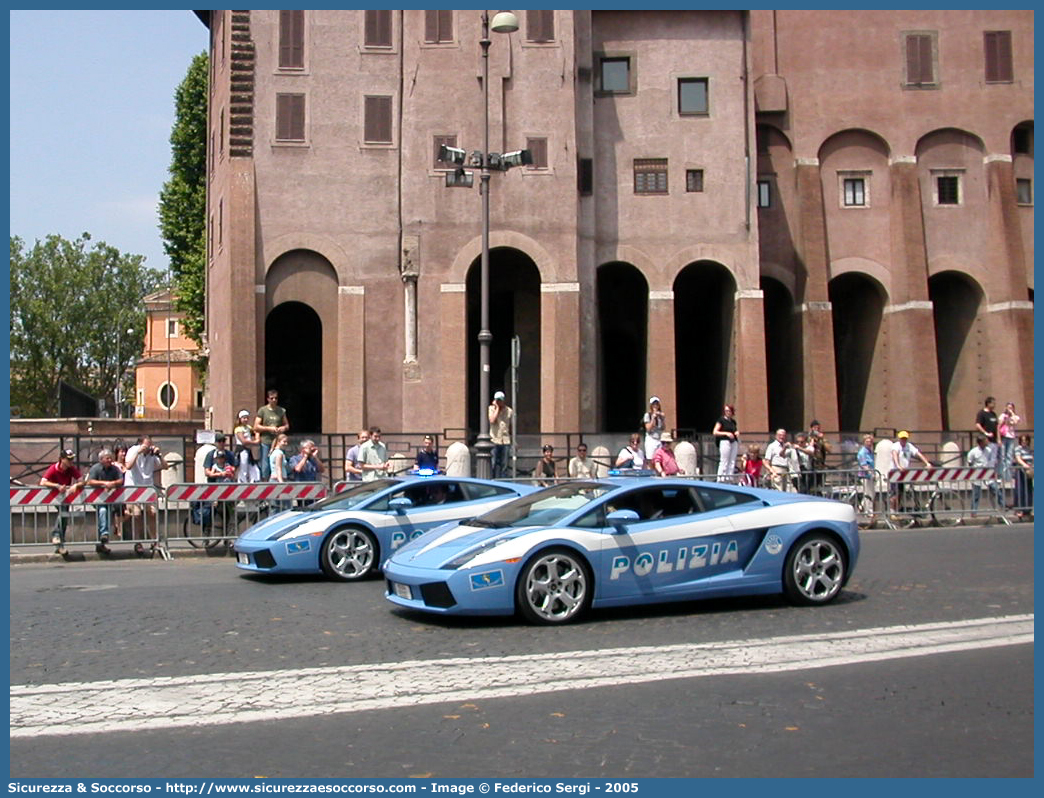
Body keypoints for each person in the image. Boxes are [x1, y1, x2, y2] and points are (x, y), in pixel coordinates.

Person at [124, 435, 170, 552]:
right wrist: (138, 452)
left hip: (148, 488)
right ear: (140, 444)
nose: (148, 448)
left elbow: (165, 466)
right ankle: (137, 542)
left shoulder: (151, 455)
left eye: (150, 445)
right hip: (133, 487)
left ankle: (155, 541)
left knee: (153, 513)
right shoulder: (133, 451)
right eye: (146, 445)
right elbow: (128, 466)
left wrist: (159, 454)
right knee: (137, 515)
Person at [40, 448, 85, 555]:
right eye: (68, 459)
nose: (71, 462)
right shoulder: (53, 469)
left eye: (72, 459)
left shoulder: (71, 469)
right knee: (62, 513)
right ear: (61, 459)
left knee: (64, 518)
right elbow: (43, 482)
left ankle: (60, 544)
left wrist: (76, 485)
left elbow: (82, 480)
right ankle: (56, 535)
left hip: (65, 497)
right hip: (55, 496)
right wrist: (56, 486)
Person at [86, 448, 124, 554]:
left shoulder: (115, 469)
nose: (109, 460)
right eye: (107, 458)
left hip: (111, 499)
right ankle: (104, 533)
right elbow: (90, 481)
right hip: (98, 499)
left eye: (110, 458)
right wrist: (104, 483)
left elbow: (121, 480)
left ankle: (101, 544)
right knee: (103, 511)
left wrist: (113, 483)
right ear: (101, 459)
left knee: (106, 514)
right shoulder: (95, 468)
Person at [889, 430, 931, 514]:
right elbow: (895, 455)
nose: (903, 440)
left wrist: (927, 463)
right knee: (895, 494)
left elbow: (918, 454)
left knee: (900, 492)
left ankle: (898, 509)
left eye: (905, 438)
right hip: (895, 472)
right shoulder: (895, 446)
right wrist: (898, 465)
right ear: (899, 439)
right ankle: (892, 511)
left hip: (904, 473)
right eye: (902, 438)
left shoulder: (909, 446)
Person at [254, 389, 290, 480]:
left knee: (280, 463)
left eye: (276, 398)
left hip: (278, 443)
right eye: (272, 398)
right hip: (266, 441)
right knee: (265, 465)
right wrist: (269, 428)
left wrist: (283, 428)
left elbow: (287, 425)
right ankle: (265, 483)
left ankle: (279, 481)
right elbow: (256, 427)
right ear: (268, 399)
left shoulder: (281, 410)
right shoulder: (262, 410)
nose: (274, 400)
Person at [967, 436, 1002, 513]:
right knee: (976, 493)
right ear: (981, 442)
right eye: (985, 440)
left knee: (995, 489)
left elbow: (991, 462)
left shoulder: (988, 451)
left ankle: (1003, 505)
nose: (987, 442)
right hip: (977, 473)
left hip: (987, 472)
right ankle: (973, 511)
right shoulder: (973, 452)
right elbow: (970, 462)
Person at [488, 391, 513, 478]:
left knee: (504, 464)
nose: (499, 402)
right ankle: (493, 479)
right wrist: (497, 408)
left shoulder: (509, 411)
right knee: (493, 463)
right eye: (497, 400)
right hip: (494, 440)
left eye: (500, 400)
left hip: (505, 441)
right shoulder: (491, 409)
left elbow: (511, 426)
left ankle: (504, 480)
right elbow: (492, 420)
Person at [712, 404, 740, 478]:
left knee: (732, 461)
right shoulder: (721, 420)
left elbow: (734, 430)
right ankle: (721, 478)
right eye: (726, 411)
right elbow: (715, 432)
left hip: (733, 441)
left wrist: (736, 432)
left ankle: (729, 477)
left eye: (729, 411)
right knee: (724, 460)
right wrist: (726, 433)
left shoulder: (733, 422)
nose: (728, 412)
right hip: (725, 441)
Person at [233, 409, 261, 482]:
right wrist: (255, 442)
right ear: (240, 419)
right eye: (244, 418)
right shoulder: (238, 429)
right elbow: (244, 441)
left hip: (248, 450)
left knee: (252, 466)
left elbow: (256, 431)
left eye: (247, 418)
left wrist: (257, 437)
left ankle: (253, 480)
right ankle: (242, 481)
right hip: (242, 449)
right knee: (243, 467)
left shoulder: (248, 427)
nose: (246, 419)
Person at [856, 434, 877, 521]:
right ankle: (869, 512)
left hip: (870, 474)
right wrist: (870, 473)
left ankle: (861, 508)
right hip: (865, 475)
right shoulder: (862, 452)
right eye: (867, 441)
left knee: (870, 493)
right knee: (868, 494)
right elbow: (864, 464)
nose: (869, 443)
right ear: (864, 442)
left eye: (870, 441)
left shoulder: (870, 451)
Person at [807, 419, 832, 493]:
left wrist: (822, 439)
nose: (817, 430)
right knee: (810, 485)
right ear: (811, 429)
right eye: (815, 428)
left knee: (819, 485)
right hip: (810, 465)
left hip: (820, 465)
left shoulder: (822, 439)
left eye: (818, 428)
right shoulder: (808, 438)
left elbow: (829, 449)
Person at [997, 402, 1021, 481]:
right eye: (1008, 407)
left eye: (1011, 407)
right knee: (1002, 456)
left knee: (1009, 457)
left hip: (1011, 437)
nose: (1010, 409)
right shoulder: (1002, 416)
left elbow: (1016, 421)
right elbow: (998, 426)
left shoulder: (1015, 416)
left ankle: (1008, 476)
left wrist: (1012, 413)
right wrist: (999, 439)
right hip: (1004, 437)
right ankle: (1001, 476)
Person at [1013, 434, 1033, 520]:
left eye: (1026, 440)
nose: (1024, 442)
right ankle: (1019, 510)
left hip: (1028, 472)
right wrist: (1025, 465)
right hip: (1020, 472)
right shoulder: (1018, 448)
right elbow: (1018, 459)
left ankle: (1028, 509)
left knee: (1028, 490)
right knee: (1020, 490)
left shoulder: (1030, 450)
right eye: (1022, 440)